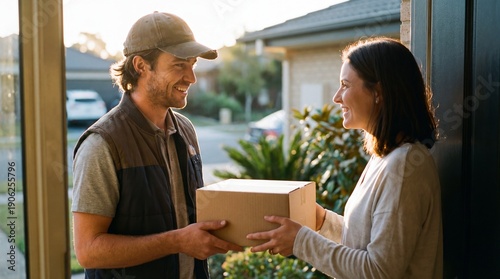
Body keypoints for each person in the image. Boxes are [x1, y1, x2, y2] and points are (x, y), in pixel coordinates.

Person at [247, 37, 443, 279]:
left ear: (378, 93)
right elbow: (366, 242)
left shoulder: (403, 166)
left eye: (345, 85)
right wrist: (322, 221)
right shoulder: (386, 158)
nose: (336, 97)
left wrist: (301, 241)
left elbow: (379, 271)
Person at [71, 12, 243, 279]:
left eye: (193, 65)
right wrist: (177, 241)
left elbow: (187, 218)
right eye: (178, 65)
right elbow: (88, 250)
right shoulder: (102, 144)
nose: (191, 78)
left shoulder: (185, 130)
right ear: (141, 66)